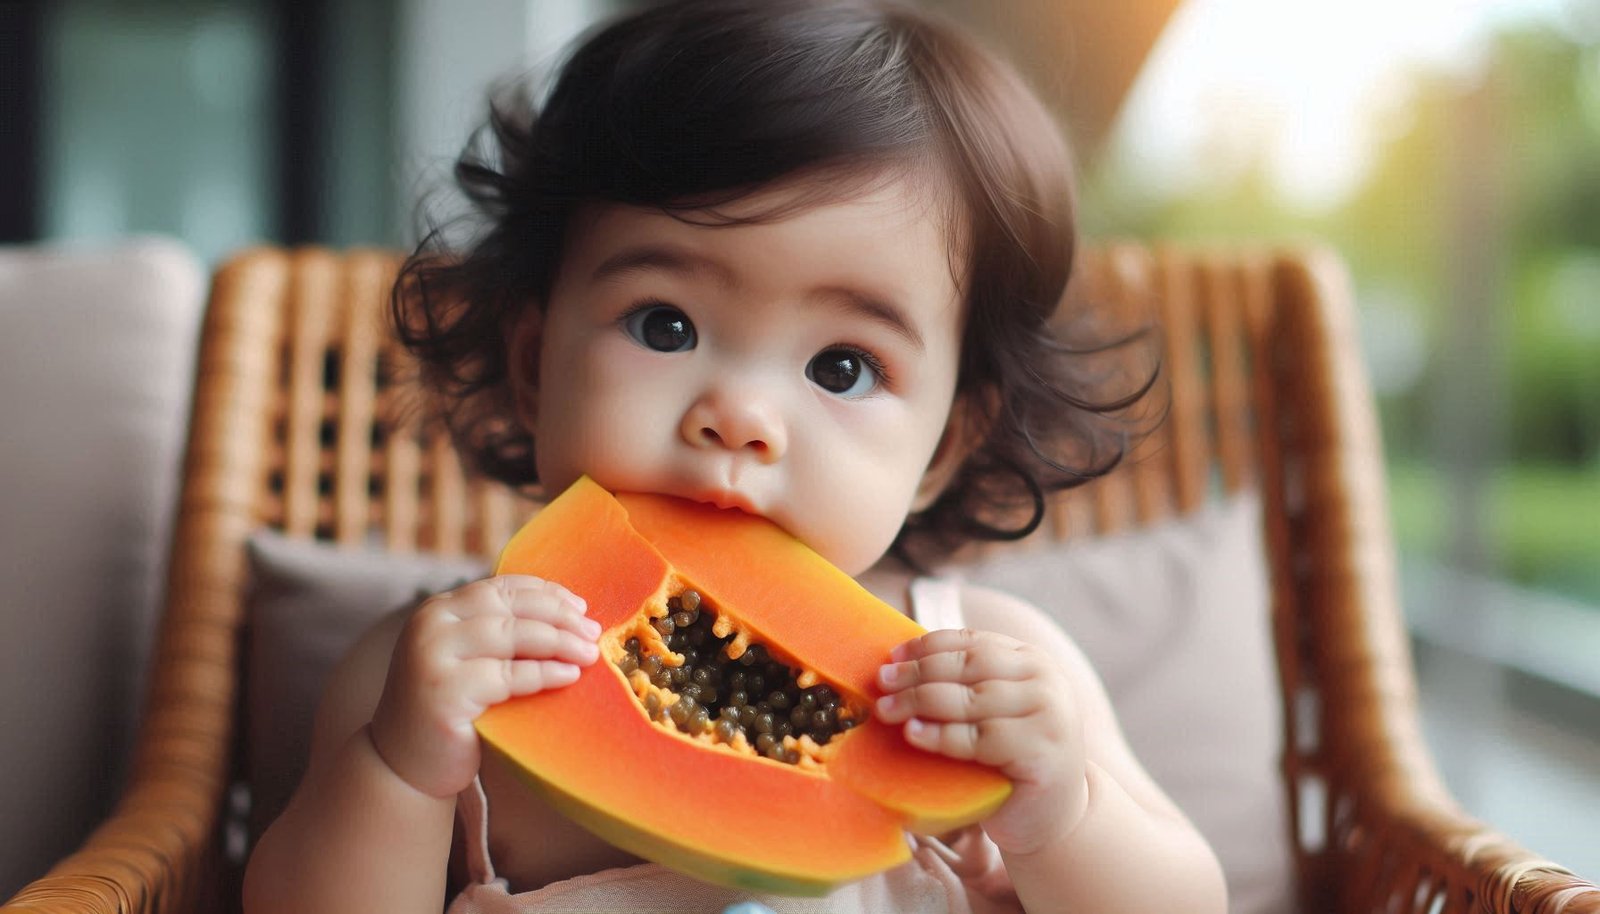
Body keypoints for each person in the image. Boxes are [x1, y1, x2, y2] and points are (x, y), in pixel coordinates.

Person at [242, 1, 1228, 912]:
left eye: (842, 366)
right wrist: (402, 762)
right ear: (536, 366)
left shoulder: (982, 664)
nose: (739, 416)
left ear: (944, 444)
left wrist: (1060, 811)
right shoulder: (431, 669)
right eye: (664, 324)